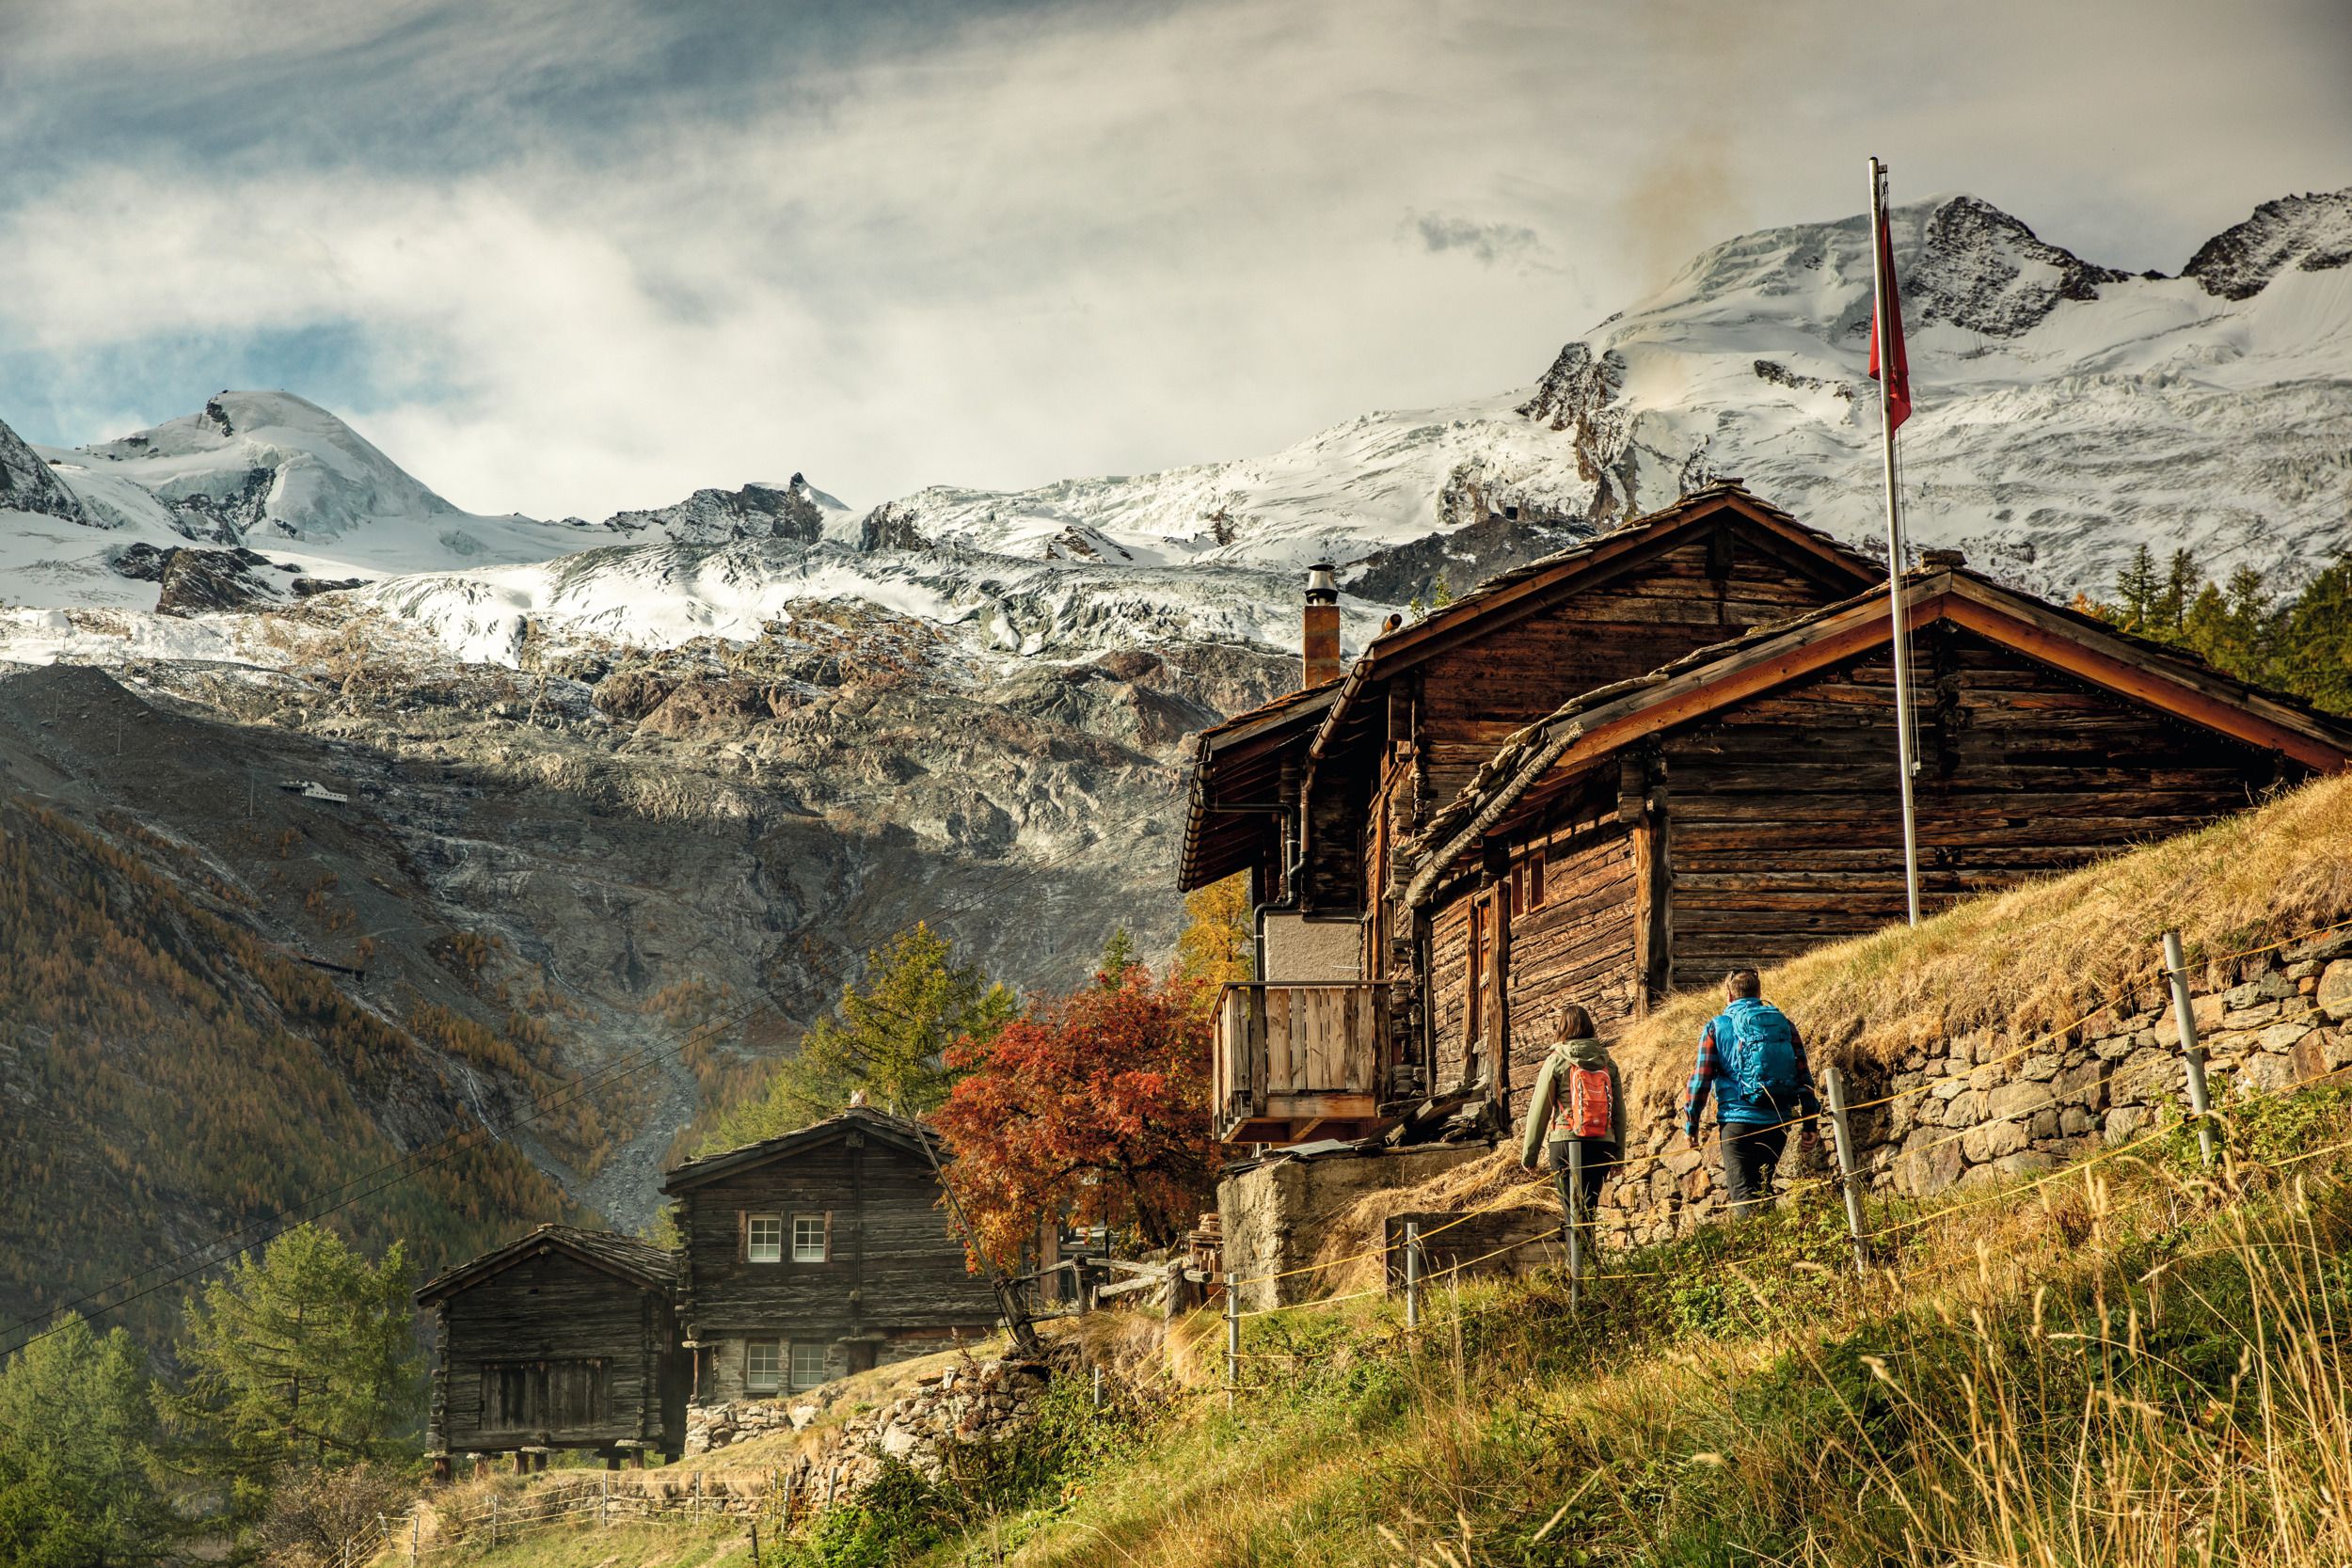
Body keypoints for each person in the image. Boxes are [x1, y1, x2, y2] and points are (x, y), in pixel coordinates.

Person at [1682, 968, 1820, 1219]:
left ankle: (1759, 1252)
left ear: (1729, 996)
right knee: (1763, 1193)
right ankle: (1775, 1251)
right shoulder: (1783, 1024)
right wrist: (1810, 1121)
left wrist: (1691, 1124)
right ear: (1759, 993)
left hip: (1737, 1124)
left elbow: (1701, 1079)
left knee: (1744, 1199)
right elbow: (1803, 1074)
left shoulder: (1717, 1027)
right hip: (1776, 1122)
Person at [1519, 1004, 1626, 1248]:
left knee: (1571, 1212)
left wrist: (1530, 1156)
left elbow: (1539, 1111)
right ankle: (1590, 1271)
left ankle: (1576, 1276)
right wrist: (1618, 1155)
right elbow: (1619, 1112)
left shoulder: (1556, 1061)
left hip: (1565, 1142)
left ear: (1562, 1029)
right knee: (1588, 1210)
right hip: (1601, 1143)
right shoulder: (1608, 1063)